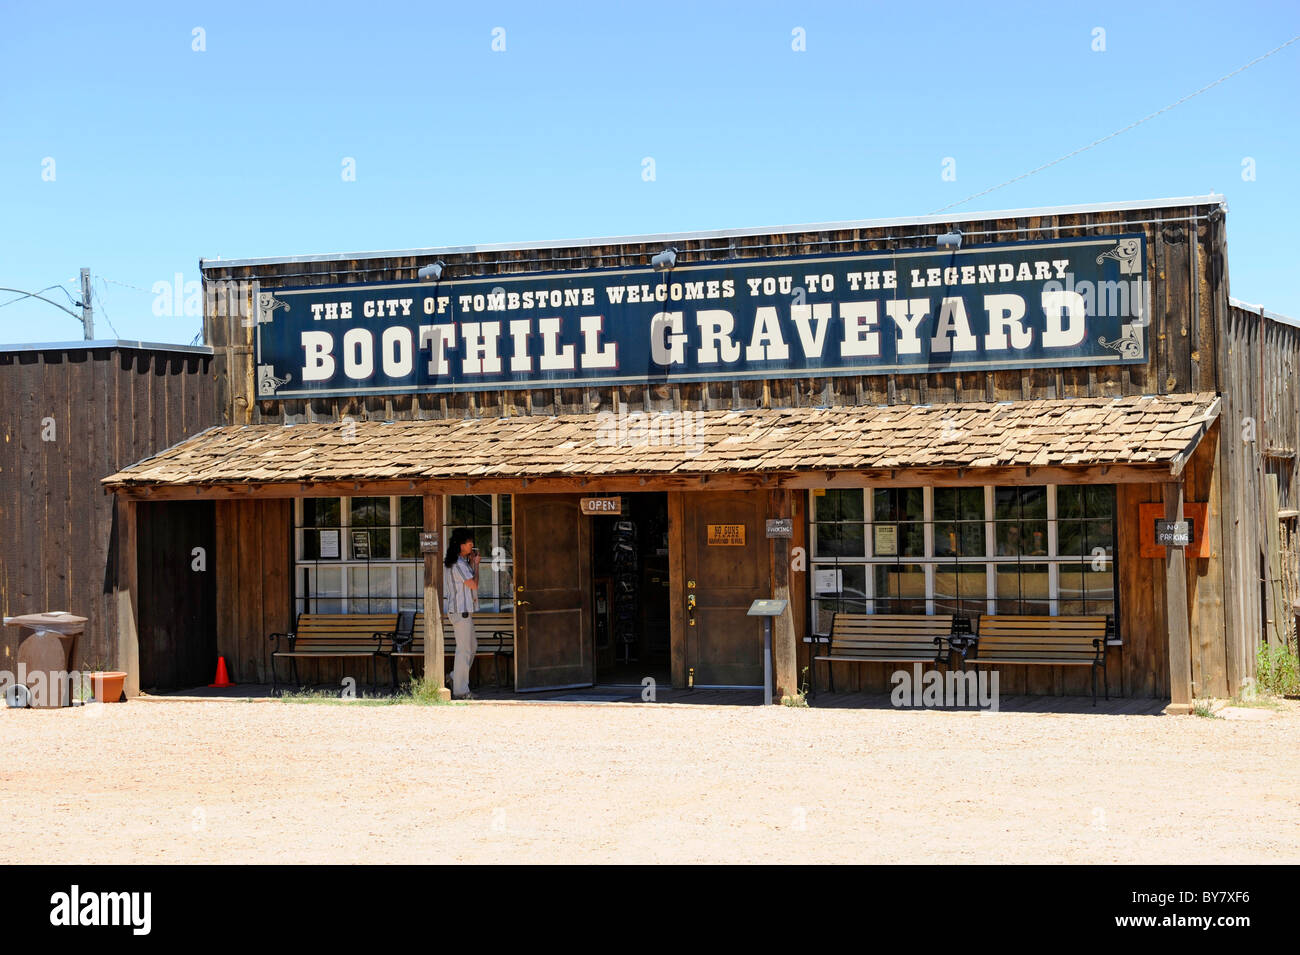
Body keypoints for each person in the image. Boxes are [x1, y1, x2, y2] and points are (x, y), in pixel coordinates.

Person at [443, 528, 481, 699]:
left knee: (471, 647)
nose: (472, 545)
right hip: (461, 612)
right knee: (464, 650)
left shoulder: (460, 562)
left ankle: (454, 677)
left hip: (463, 612)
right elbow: (473, 584)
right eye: (469, 542)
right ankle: (461, 690)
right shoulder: (457, 564)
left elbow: (468, 582)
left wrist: (472, 563)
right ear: (461, 545)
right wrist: (477, 565)